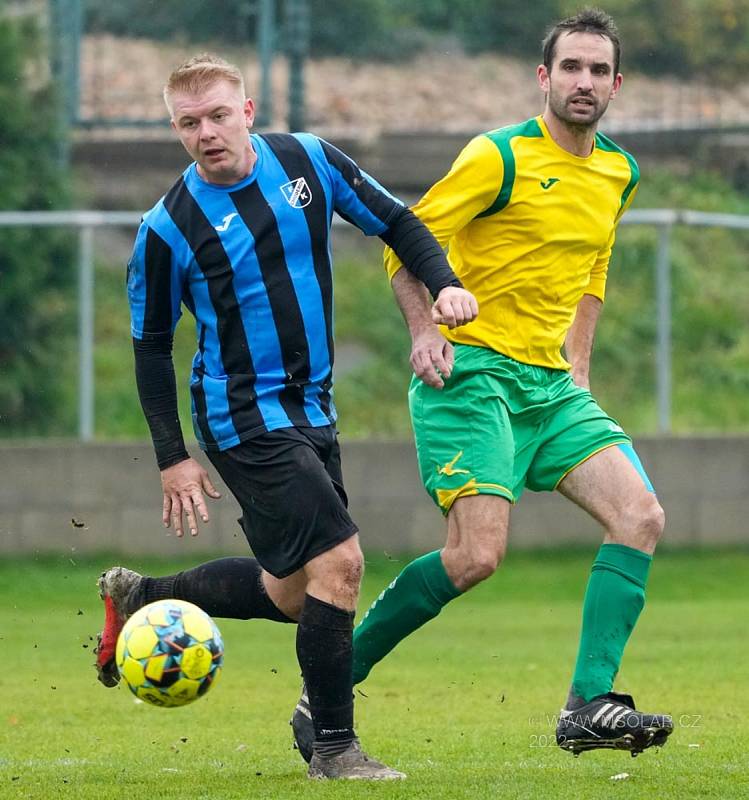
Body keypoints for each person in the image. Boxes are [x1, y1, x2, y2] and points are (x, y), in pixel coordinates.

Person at [290, 8, 675, 761]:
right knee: (474, 557)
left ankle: (587, 704)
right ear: (543, 76)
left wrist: (580, 365)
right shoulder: (496, 157)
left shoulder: (618, 172)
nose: (584, 82)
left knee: (641, 515)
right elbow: (406, 239)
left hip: (550, 385)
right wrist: (425, 330)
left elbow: (592, 267)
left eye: (598, 71)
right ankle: (327, 690)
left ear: (616, 84)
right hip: (470, 377)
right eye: (570, 67)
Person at [93, 53, 478, 781]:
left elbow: (397, 222)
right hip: (240, 416)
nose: (205, 133)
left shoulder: (308, 160)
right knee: (343, 563)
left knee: (297, 594)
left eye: (216, 115)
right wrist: (173, 455)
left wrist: (443, 288)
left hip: (313, 407)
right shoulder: (166, 228)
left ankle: (144, 595)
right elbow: (149, 350)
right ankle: (333, 749)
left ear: (247, 110)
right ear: (174, 130)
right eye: (187, 123)